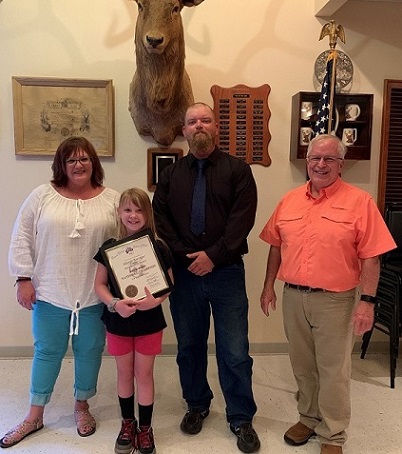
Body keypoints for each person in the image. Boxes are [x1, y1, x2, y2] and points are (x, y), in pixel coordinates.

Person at [259, 134, 396, 454]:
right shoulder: (289, 200)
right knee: (302, 365)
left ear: (340, 164)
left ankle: (333, 435)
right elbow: (276, 246)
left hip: (336, 300)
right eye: (314, 158)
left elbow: (371, 257)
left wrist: (367, 302)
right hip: (293, 296)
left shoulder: (360, 202)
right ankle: (308, 417)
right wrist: (268, 286)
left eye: (328, 159)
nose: (320, 164)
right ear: (306, 162)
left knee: (334, 370)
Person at [152, 102, 260, 453]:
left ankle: (241, 416)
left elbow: (242, 220)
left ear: (216, 128)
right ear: (183, 130)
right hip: (184, 275)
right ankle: (197, 405)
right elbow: (161, 221)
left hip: (226, 272)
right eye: (191, 121)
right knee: (189, 347)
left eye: (206, 120)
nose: (199, 126)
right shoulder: (170, 175)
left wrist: (212, 257)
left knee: (235, 350)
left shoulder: (239, 171)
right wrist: (188, 257)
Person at [0, 137, 120, 449]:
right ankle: (34, 414)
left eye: (84, 159)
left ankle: (82, 407)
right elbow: (22, 235)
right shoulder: (42, 196)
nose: (78, 165)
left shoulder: (112, 200)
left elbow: (127, 243)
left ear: (93, 162)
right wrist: (23, 278)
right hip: (51, 289)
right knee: (47, 352)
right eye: (71, 160)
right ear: (61, 166)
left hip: (95, 293)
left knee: (90, 351)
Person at [94, 188, 173, 454]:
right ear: (118, 213)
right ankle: (127, 424)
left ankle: (145, 428)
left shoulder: (158, 246)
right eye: (127, 209)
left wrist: (155, 301)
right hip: (119, 322)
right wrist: (115, 304)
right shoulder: (108, 248)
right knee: (124, 374)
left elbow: (168, 283)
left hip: (149, 322)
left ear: (148, 214)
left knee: (145, 374)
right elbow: (99, 285)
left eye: (139, 210)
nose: (133, 215)